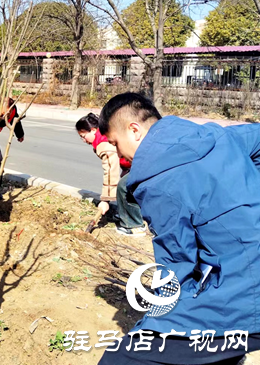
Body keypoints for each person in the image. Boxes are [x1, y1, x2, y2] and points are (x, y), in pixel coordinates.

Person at [97, 92, 260, 365]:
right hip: (244, 273)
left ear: (134, 130)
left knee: (122, 358)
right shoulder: (214, 137)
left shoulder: (156, 182)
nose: (117, 151)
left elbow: (176, 267)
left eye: (115, 142)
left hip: (244, 293)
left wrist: (154, 322)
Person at [76, 112, 145, 236]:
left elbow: (110, 171)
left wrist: (106, 200)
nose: (83, 140)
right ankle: (126, 215)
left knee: (123, 187)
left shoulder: (103, 143)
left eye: (83, 136)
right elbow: (120, 158)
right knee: (126, 185)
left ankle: (135, 225)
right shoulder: (103, 136)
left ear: (93, 130)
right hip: (136, 162)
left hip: (141, 162)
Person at [0, 97, 24, 200]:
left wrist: (20, 134)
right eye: (1, 115)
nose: (4, 118)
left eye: (7, 115)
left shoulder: (13, 109)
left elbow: (16, 120)